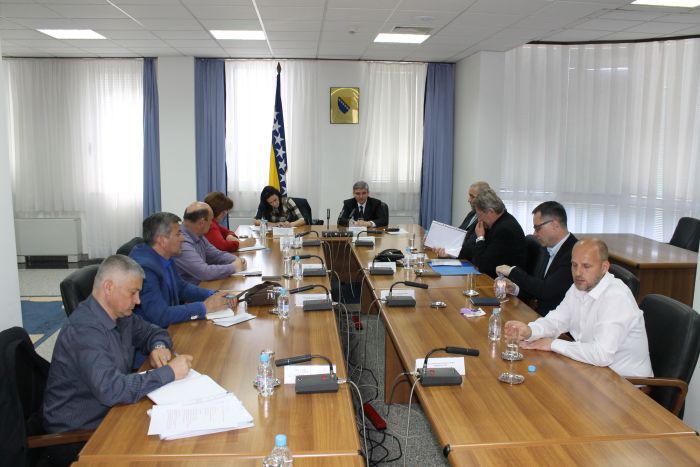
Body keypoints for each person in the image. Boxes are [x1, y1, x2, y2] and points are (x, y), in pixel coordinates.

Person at [43, 255, 193, 465]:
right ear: (108, 287)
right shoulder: (84, 330)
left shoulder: (121, 315)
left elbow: (155, 333)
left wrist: (158, 347)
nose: (138, 301)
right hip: (79, 435)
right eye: (133, 293)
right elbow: (111, 390)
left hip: (112, 412)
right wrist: (169, 372)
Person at [504, 239, 653, 377]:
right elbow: (557, 320)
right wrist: (530, 330)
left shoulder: (616, 297)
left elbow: (602, 355)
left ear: (604, 267)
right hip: (594, 370)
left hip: (626, 383)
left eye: (586, 266)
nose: (578, 273)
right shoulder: (580, 286)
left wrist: (552, 344)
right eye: (574, 265)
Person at [130, 211, 235, 328]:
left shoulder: (164, 255)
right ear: (162, 240)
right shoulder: (144, 269)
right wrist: (204, 307)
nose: (183, 238)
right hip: (153, 334)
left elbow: (181, 287)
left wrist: (213, 294)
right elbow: (160, 316)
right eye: (178, 234)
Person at [495, 201, 577, 316]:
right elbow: (536, 286)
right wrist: (514, 289)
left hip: (556, 320)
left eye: (537, 228)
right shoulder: (546, 248)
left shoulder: (575, 253)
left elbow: (547, 291)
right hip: (537, 314)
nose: (534, 233)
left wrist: (512, 271)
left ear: (555, 224)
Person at [174, 202, 246, 284]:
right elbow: (204, 272)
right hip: (191, 289)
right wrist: (233, 267)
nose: (212, 224)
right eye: (211, 220)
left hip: (201, 285)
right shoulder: (181, 242)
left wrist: (236, 260)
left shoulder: (199, 235)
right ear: (201, 223)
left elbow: (216, 255)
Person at [470, 188, 527, 277]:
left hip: (505, 282)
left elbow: (482, 265)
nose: (479, 220)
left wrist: (480, 238)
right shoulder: (500, 222)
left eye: (479, 215)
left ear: (490, 212)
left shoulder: (504, 230)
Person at [434, 181, 490, 260]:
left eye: (472, 197)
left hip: (467, 261)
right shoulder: (472, 214)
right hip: (457, 256)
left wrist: (450, 254)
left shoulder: (485, 219)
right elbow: (458, 233)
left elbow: (471, 245)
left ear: (483, 198)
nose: (469, 200)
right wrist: (435, 240)